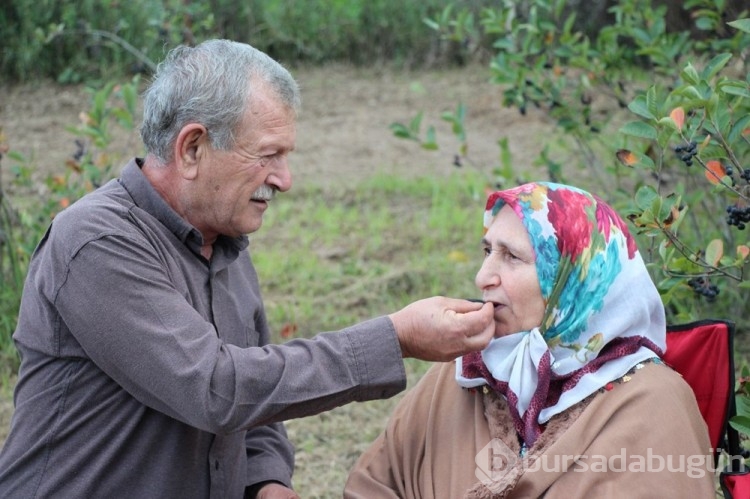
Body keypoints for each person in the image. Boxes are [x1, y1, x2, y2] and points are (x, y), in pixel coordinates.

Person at [0, 39, 496, 498]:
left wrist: (266, 481)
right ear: (192, 148)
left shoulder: (224, 241)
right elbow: (215, 389)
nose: (285, 179)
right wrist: (395, 338)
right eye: (268, 155)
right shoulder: (97, 242)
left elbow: (255, 400)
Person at [345, 182, 716, 498]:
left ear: (572, 281)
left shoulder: (654, 404)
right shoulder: (462, 373)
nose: (482, 277)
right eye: (488, 251)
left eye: (512, 257)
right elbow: (374, 484)